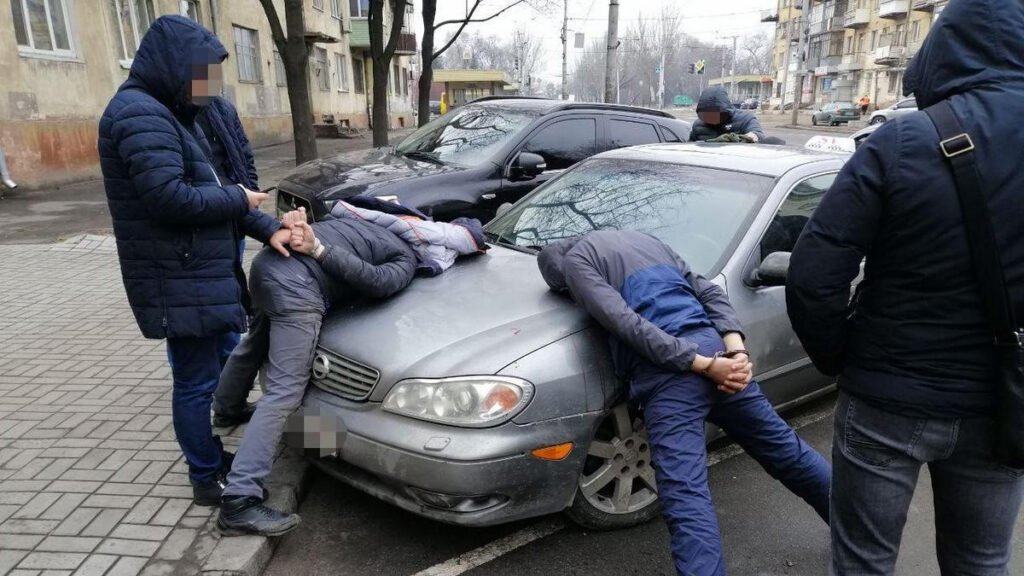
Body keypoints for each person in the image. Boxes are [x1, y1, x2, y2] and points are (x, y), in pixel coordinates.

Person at [785, 1, 1024, 574]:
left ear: (942, 52)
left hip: (887, 398)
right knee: (983, 561)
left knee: (863, 562)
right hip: (1004, 400)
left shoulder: (901, 141)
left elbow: (813, 274)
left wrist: (845, 358)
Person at [538, 231, 830, 576]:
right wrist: (734, 352)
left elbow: (624, 322)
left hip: (671, 375)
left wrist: (703, 365)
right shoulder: (647, 241)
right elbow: (708, 292)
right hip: (717, 350)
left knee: (685, 494)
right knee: (785, 451)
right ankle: (860, 531)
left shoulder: (576, 262)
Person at [97, 15, 292, 507]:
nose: (208, 86)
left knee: (206, 373)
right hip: (177, 275)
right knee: (194, 381)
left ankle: (210, 458)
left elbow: (212, 194)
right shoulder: (139, 114)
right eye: (202, 72)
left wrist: (274, 230)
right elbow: (170, 198)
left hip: (195, 271)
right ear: (175, 66)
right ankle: (206, 478)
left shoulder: (172, 114)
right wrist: (239, 199)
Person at [216, 204, 485, 535]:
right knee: (285, 392)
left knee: (254, 342)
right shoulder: (405, 256)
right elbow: (376, 282)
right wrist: (319, 251)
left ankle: (226, 409)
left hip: (268, 265)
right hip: (298, 286)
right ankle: (240, 499)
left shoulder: (363, 220)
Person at [195, 96, 263, 429]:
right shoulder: (172, 112)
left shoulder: (221, 107)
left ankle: (229, 395)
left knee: (231, 304)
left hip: (234, 219)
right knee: (204, 328)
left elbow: (243, 156)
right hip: (201, 232)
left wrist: (248, 195)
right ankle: (218, 395)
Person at [689, 87, 767, 143]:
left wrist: (751, 136)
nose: (710, 117)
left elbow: (758, 134)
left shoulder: (745, 119)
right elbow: (691, 146)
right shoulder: (698, 125)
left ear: (724, 109)